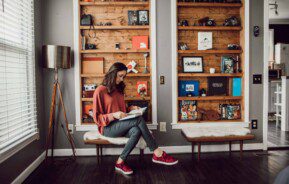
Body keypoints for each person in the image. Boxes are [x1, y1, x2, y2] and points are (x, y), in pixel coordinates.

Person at [93, 62, 178, 175]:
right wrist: (113, 115)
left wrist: (130, 108)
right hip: (107, 128)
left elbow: (120, 110)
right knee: (138, 120)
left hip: (120, 125)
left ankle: (120, 162)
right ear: (112, 74)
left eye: (124, 76)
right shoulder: (100, 90)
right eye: (120, 76)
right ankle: (157, 152)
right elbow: (96, 118)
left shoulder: (119, 90)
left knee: (136, 131)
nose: (122, 79)